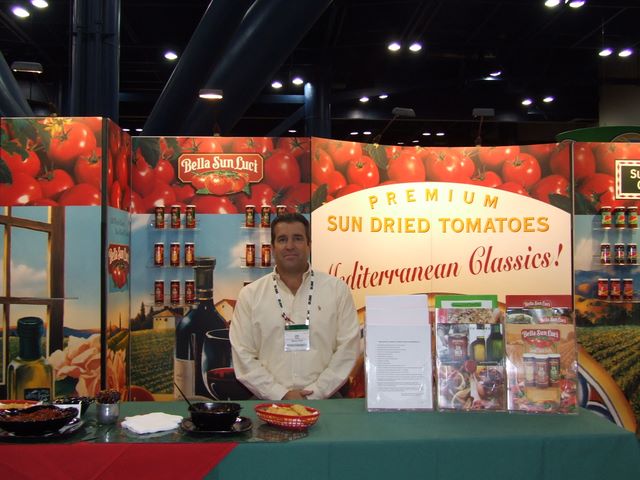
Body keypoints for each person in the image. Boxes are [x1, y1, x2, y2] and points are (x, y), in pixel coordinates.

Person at [230, 212, 360, 400]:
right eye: (282, 239)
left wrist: (316, 393)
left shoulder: (337, 290)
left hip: (327, 400)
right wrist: (280, 394)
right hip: (267, 400)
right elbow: (243, 354)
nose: (290, 246)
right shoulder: (250, 295)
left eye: (298, 238)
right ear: (272, 247)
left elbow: (348, 348)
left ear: (309, 245)